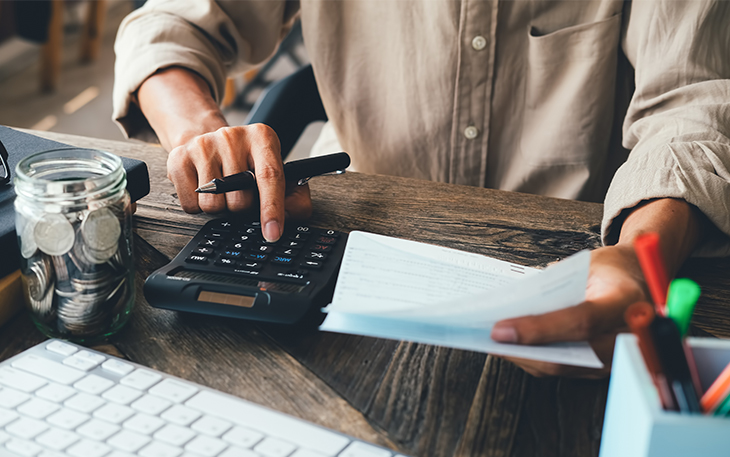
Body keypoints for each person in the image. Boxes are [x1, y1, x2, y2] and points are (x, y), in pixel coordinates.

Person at [112, 0, 730, 377]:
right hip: (360, 253)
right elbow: (169, 23)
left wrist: (638, 253)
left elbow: (693, 105)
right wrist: (200, 132)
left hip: (578, 259)